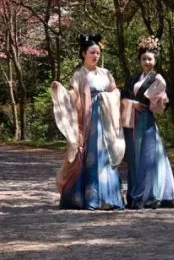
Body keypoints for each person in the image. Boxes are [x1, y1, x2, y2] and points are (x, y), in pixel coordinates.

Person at [50, 33, 125, 210]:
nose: (95, 56)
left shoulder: (106, 73)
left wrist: (107, 97)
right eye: (92, 52)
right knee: (89, 157)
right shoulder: (79, 75)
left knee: (106, 157)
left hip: (106, 120)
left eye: (98, 53)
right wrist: (61, 91)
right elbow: (73, 96)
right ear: (84, 53)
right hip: (88, 121)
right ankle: (92, 198)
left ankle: (110, 198)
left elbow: (115, 92)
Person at [121, 36, 174, 209]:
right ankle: (133, 195)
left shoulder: (158, 80)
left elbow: (157, 105)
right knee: (133, 158)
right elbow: (124, 96)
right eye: (144, 58)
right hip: (131, 120)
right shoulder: (133, 79)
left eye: (150, 59)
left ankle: (147, 195)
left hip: (146, 121)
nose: (146, 61)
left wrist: (159, 101)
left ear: (155, 61)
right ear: (139, 60)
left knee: (148, 157)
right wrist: (132, 103)